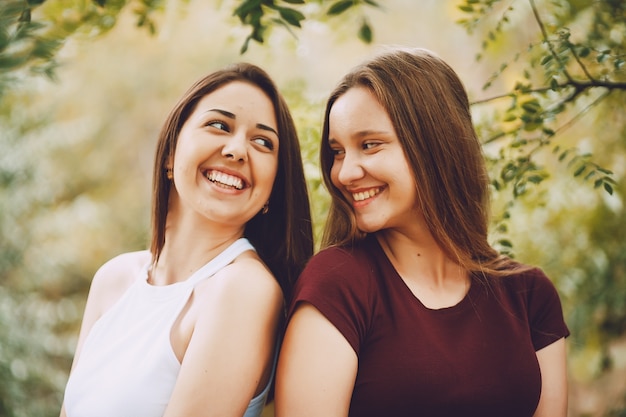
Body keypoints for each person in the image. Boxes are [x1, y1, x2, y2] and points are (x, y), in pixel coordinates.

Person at [275, 47, 569, 417]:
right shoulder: (338, 285)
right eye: (337, 151)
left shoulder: (528, 294)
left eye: (369, 145)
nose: (345, 173)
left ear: (434, 143)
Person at [60, 62, 314, 417]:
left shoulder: (243, 290)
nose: (237, 150)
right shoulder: (114, 279)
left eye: (262, 142)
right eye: (218, 125)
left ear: (273, 188)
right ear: (169, 154)